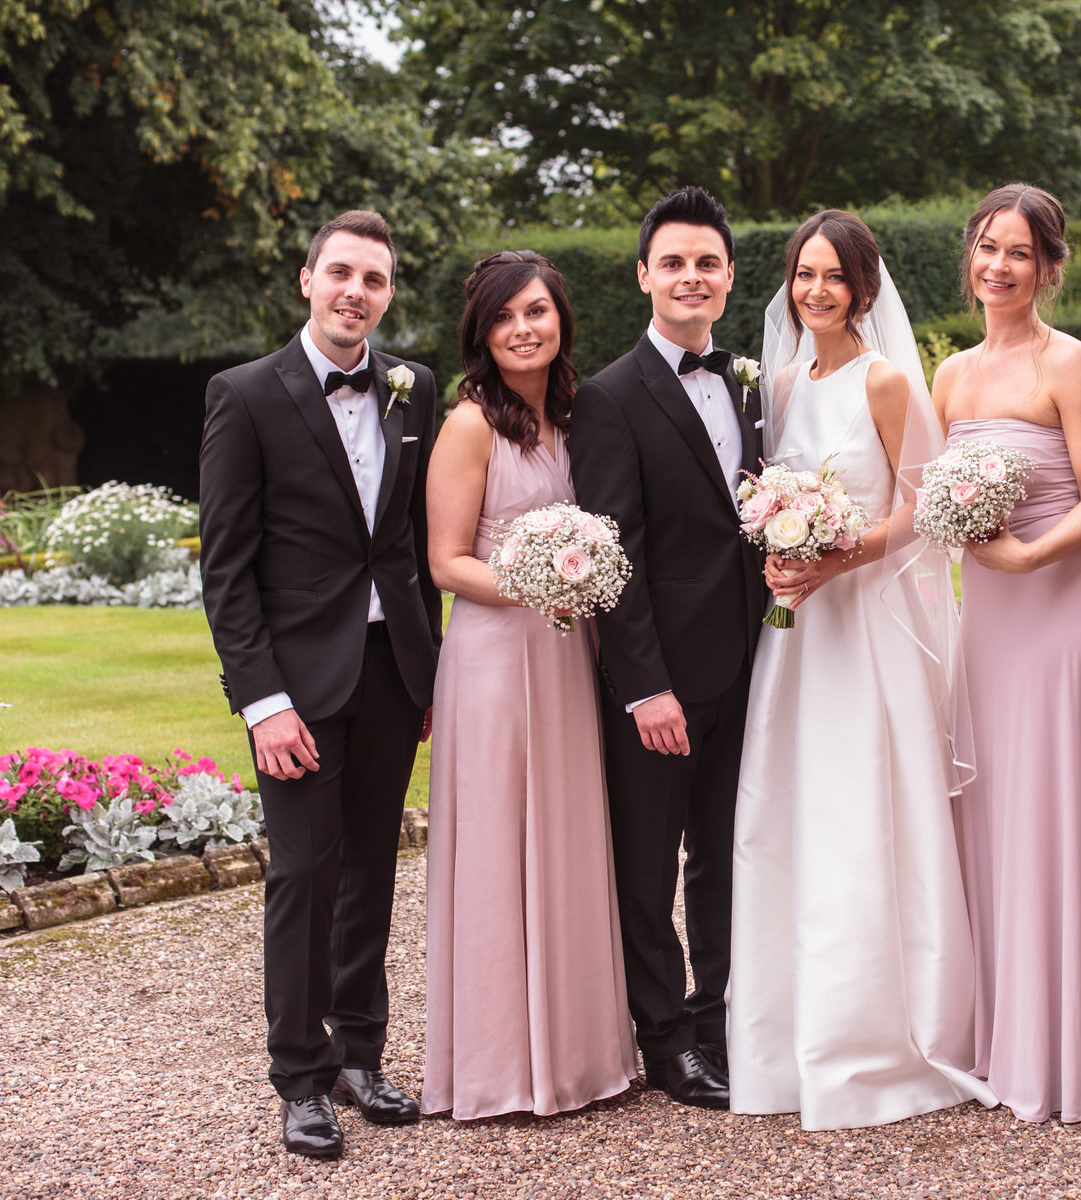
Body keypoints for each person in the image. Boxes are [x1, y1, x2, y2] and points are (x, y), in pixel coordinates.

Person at [728, 209, 997, 1131]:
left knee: (861, 809)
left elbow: (925, 516)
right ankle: (781, 1041)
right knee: (787, 814)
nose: (814, 291)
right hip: (795, 631)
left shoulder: (886, 383)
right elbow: (764, 494)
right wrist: (778, 547)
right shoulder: (782, 381)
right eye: (802, 274)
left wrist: (838, 555)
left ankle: (878, 1040)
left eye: (832, 276)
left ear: (863, 289)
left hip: (864, 630)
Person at [198, 209, 440, 1159]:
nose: (357, 292)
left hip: (391, 676)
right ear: (307, 279)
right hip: (295, 688)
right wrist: (263, 703)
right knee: (303, 872)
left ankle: (359, 1053)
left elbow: (411, 544)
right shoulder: (245, 394)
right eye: (341, 273)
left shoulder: (410, 391)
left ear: (386, 294)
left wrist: (426, 669)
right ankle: (298, 1076)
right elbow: (226, 568)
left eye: (374, 280)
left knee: (373, 868)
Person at [933, 184, 1081, 1126]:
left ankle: (1071, 1052)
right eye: (987, 248)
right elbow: (930, 498)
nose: (999, 266)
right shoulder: (948, 375)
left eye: (1018, 252)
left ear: (1050, 267)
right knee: (989, 821)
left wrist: (1025, 552)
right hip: (983, 625)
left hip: (1060, 613)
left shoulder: (1071, 365)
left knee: (1055, 817)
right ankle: (999, 1040)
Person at [419, 250, 637, 1119]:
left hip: (564, 655)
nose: (524, 329)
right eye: (506, 318)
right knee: (502, 842)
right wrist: (547, 583)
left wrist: (575, 593)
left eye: (538, 312)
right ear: (484, 333)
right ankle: (502, 1065)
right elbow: (446, 562)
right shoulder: (470, 424)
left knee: (566, 835)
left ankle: (578, 1053)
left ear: (561, 321)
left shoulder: (576, 420)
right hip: (495, 659)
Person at [567, 187, 767, 1110]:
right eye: (675, 262)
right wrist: (644, 686)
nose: (693, 277)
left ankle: (723, 1017)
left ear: (729, 279)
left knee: (726, 852)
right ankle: (666, 1039)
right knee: (647, 864)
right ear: (644, 274)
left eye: (709, 263)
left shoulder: (747, 381)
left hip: (751, 665)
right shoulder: (607, 398)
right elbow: (617, 554)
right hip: (660, 682)